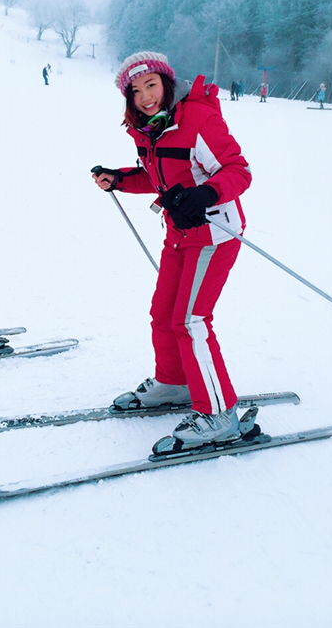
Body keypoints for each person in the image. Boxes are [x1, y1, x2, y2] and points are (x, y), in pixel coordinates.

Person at [92, 52, 252, 449]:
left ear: (166, 82)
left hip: (214, 232)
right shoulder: (149, 129)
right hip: (179, 233)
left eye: (151, 85)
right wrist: (120, 179)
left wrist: (205, 194)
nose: (146, 96)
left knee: (191, 320)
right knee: (164, 313)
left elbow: (238, 170)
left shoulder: (197, 118)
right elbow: (158, 176)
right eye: (136, 90)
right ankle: (173, 383)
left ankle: (218, 413)